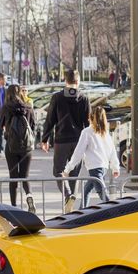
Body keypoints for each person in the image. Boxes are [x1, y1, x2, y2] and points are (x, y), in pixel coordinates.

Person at [41, 69, 91, 213]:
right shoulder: (83, 98)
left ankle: (68, 196)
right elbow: (88, 123)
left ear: (65, 81)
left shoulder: (57, 97)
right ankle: (71, 200)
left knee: (58, 170)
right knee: (74, 173)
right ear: (78, 81)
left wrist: (45, 139)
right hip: (78, 140)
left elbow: (50, 119)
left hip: (61, 140)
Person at [64, 106, 120, 207]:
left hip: (95, 168)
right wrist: (115, 167)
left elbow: (78, 152)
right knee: (86, 190)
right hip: (104, 167)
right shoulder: (105, 132)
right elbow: (112, 151)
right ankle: (82, 211)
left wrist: (68, 168)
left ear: (90, 117)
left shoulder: (87, 132)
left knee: (103, 195)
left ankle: (116, 214)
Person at [0, 84, 36, 212]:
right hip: (26, 148)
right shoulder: (28, 107)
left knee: (13, 177)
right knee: (24, 176)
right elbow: (33, 125)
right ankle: (29, 196)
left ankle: (14, 206)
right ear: (21, 93)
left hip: (11, 146)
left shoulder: (6, 107)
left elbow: (1, 125)